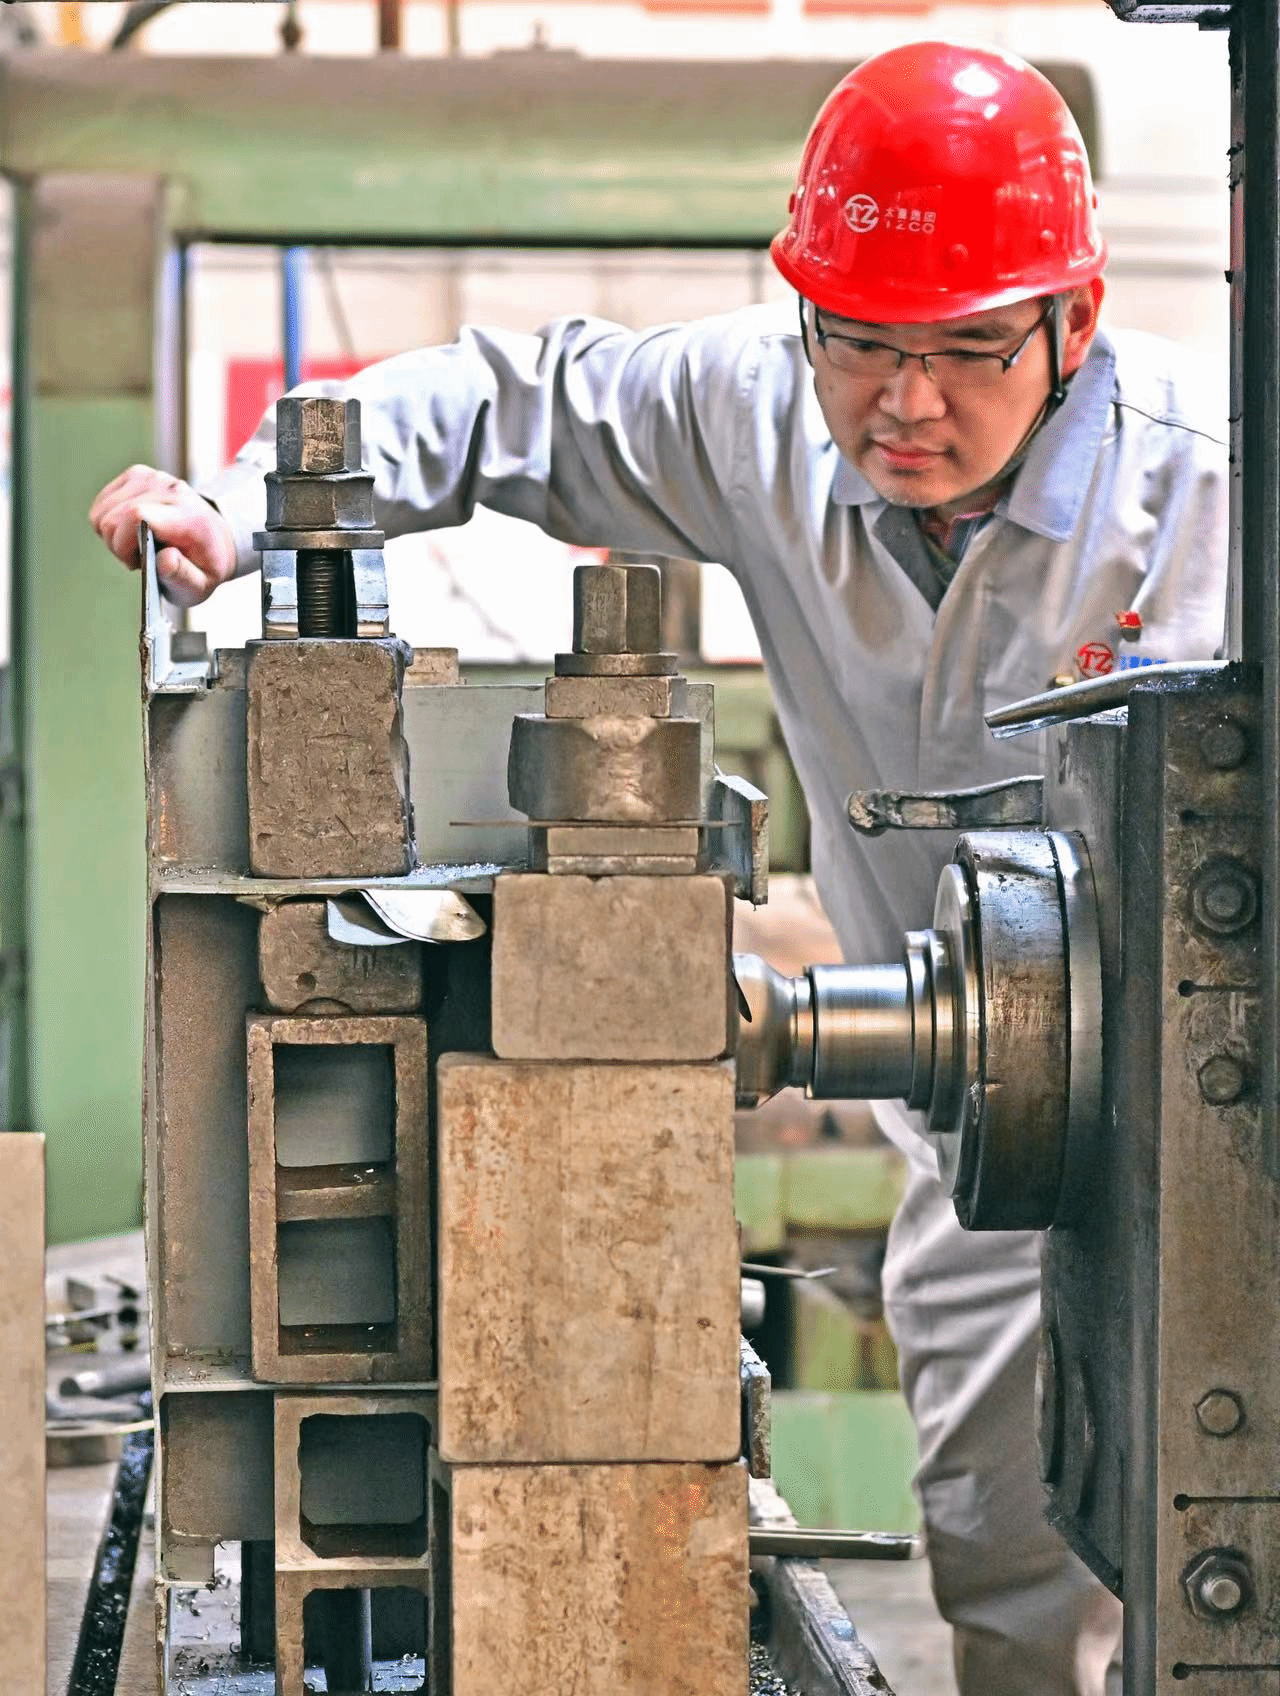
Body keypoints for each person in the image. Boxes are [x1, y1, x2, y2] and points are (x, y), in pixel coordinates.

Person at [90, 40, 1227, 1696]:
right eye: (861, 342)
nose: (906, 403)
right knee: (1004, 1549)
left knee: (1220, 1546)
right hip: (983, 1123)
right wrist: (245, 507)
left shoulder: (1214, 492)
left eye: (967, 348)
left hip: (1226, 1110)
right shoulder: (760, 413)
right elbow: (519, 400)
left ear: (1076, 320)